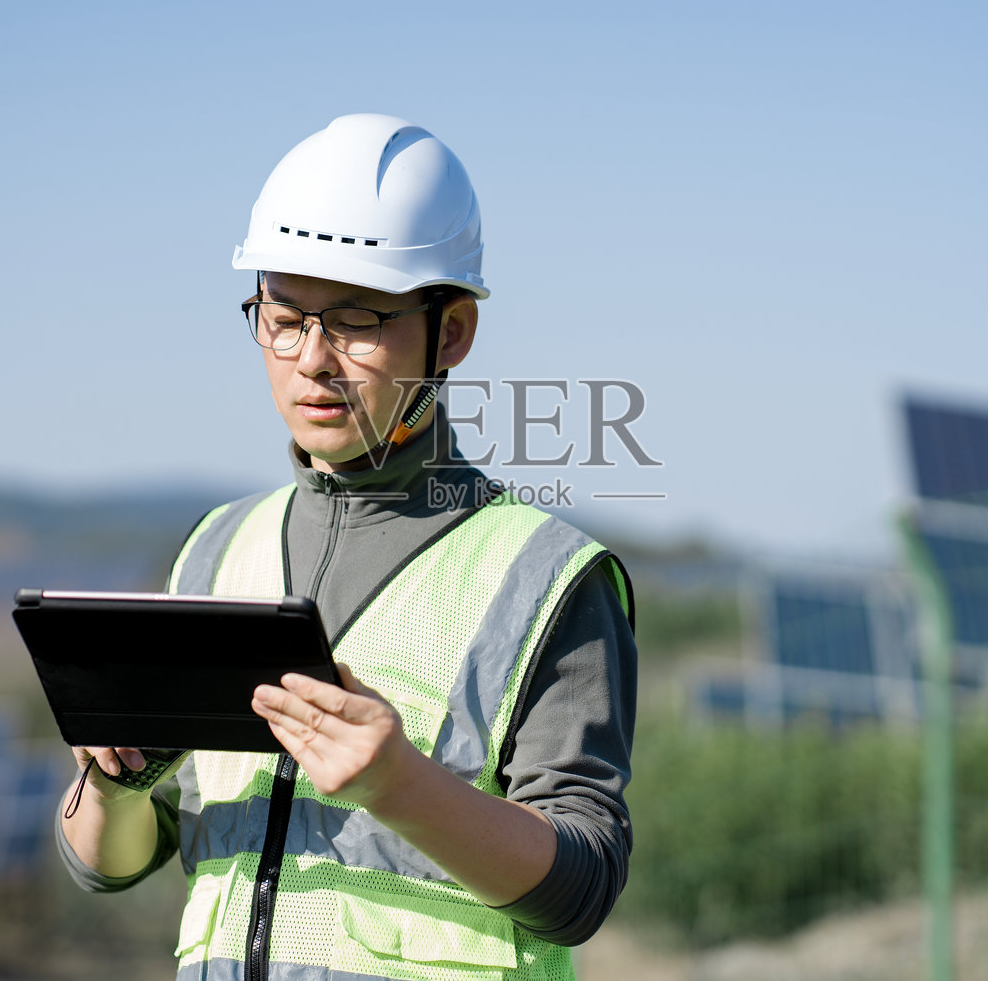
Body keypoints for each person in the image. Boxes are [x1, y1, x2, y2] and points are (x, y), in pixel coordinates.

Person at [56, 113, 637, 981]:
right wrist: (111, 781)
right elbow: (108, 864)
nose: (312, 361)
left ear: (453, 332)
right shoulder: (215, 550)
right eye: (283, 317)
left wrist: (398, 781)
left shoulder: (547, 576)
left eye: (357, 321)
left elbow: (580, 887)